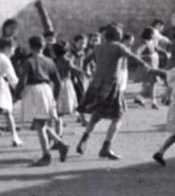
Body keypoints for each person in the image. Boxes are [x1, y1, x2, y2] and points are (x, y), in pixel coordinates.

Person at [76, 25, 165, 160]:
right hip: (112, 84)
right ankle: (106, 147)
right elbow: (132, 56)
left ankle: (84, 139)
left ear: (105, 36)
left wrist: (87, 71)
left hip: (97, 83)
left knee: (97, 114)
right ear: (118, 37)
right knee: (118, 116)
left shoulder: (98, 47)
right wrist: (146, 65)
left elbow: (85, 61)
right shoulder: (118, 46)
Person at [16, 36, 68, 166]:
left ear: (30, 46)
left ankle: (47, 155)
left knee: (39, 125)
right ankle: (60, 144)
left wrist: (16, 94)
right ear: (43, 47)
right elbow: (58, 82)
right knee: (41, 123)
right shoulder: (50, 61)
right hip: (47, 90)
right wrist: (54, 98)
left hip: (35, 92)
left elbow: (23, 81)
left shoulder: (29, 61)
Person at [51, 41, 82, 136]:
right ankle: (58, 134)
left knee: (56, 112)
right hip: (65, 84)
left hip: (54, 84)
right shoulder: (67, 61)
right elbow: (77, 71)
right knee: (59, 113)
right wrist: (80, 62)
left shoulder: (53, 61)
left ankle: (57, 135)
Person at [134, 27, 162, 109]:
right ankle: (152, 101)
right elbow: (137, 52)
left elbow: (155, 49)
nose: (154, 35)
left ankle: (141, 97)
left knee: (152, 84)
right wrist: (147, 57)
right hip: (149, 66)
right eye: (153, 33)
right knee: (153, 83)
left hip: (153, 65)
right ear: (149, 34)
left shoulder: (151, 42)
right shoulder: (145, 42)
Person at [70, 34, 89, 125]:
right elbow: (70, 65)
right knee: (79, 98)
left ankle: (81, 117)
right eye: (81, 43)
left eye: (84, 44)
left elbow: (85, 63)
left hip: (82, 78)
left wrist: (88, 70)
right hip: (74, 78)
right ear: (75, 43)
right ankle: (82, 118)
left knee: (81, 97)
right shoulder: (71, 53)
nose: (83, 46)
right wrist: (74, 76)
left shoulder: (83, 53)